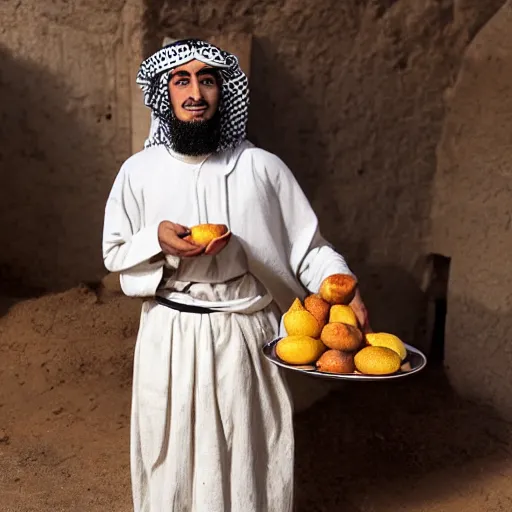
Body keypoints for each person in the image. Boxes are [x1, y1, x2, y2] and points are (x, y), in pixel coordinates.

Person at [102, 38, 370, 512]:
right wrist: (155, 242)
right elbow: (114, 251)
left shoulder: (261, 168)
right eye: (181, 80)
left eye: (207, 80)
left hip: (246, 330)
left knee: (251, 447)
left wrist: (343, 289)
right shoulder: (138, 172)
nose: (195, 93)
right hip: (171, 333)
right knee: (171, 451)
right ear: (164, 93)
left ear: (223, 93)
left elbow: (309, 248)